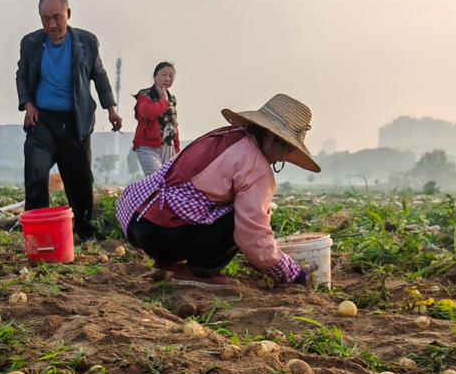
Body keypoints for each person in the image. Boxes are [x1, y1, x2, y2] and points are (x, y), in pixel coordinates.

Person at [115, 94, 319, 290]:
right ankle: (200, 271)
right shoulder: (256, 167)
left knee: (210, 201)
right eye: (286, 152)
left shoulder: (224, 135)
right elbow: (252, 235)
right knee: (238, 215)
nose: (280, 160)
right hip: (164, 234)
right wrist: (291, 274)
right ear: (278, 141)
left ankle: (165, 265)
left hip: (138, 220)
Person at [16, 0, 122, 243]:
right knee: (36, 172)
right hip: (43, 122)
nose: (51, 25)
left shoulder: (86, 42)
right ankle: (38, 233)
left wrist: (110, 108)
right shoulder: (30, 43)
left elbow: (99, 75)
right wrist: (28, 104)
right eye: (45, 19)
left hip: (75, 122)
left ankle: (85, 233)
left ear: (68, 14)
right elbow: (21, 75)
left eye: (57, 18)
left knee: (80, 180)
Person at [132, 62, 179, 176]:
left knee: (167, 182)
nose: (167, 78)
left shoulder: (171, 99)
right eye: (164, 75)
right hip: (148, 146)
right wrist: (163, 100)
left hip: (168, 147)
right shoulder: (145, 95)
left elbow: (173, 125)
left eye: (171, 75)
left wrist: (177, 151)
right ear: (155, 76)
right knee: (157, 179)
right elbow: (147, 113)